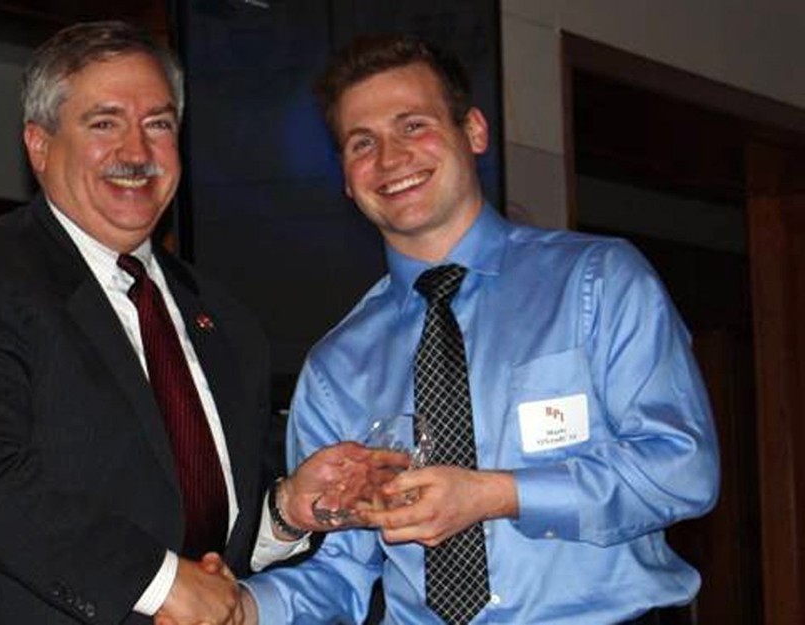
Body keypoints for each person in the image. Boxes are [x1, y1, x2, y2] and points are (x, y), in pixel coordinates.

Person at [0, 20, 385, 625]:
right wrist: (161, 583)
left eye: (158, 124)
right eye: (104, 123)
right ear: (39, 146)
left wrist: (284, 512)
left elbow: (199, 533)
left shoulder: (225, 322)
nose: (137, 153)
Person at [240, 34, 720, 624]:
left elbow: (683, 471)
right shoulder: (336, 367)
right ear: (345, 177)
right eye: (363, 142)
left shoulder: (597, 281)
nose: (390, 158)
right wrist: (242, 608)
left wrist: (496, 494)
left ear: (473, 132)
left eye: (413, 125)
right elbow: (337, 573)